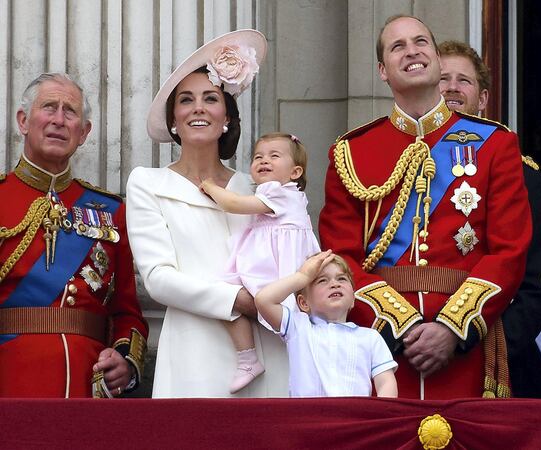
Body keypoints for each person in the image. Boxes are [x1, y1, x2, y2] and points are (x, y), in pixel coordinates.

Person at [318, 15, 531, 400]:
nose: (412, 51)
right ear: (383, 70)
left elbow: (509, 251)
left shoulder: (495, 144)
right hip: (379, 347)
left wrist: (452, 327)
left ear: (435, 56)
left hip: (465, 345)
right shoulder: (351, 151)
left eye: (420, 42)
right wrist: (398, 326)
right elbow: (341, 258)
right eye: (397, 46)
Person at [126, 29, 289, 398]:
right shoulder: (148, 183)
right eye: (186, 100)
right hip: (194, 352)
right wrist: (238, 301)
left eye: (210, 98)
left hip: (271, 347)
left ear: (226, 117)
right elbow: (158, 278)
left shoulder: (258, 188)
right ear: (174, 121)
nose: (198, 107)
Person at [0, 72, 148, 398]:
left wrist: (124, 359)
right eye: (49, 107)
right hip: (10, 380)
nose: (58, 119)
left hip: (87, 385)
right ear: (23, 121)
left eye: (70, 112)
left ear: (84, 132)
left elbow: (127, 312)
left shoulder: (111, 212)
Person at [438, 40, 541, 398]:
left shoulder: (520, 172)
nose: (451, 87)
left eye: (463, 80)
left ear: (482, 98)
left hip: (500, 355)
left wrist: (487, 349)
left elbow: (534, 283)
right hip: (415, 350)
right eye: (442, 78)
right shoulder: (400, 167)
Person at [199, 132, 319, 393]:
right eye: (258, 157)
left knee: (228, 297)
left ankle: (248, 358)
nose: (264, 160)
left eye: (274, 156)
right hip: (267, 262)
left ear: (295, 172)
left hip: (276, 268)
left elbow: (234, 203)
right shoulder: (281, 194)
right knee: (226, 298)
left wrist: (209, 186)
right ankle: (247, 358)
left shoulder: (281, 193)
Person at [255, 250, 398, 397]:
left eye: (342, 279)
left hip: (353, 417)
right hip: (309, 417)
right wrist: (302, 276)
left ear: (353, 299)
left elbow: (386, 383)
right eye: (322, 280)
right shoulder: (298, 328)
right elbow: (263, 300)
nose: (335, 284)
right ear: (304, 303)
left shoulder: (370, 337)